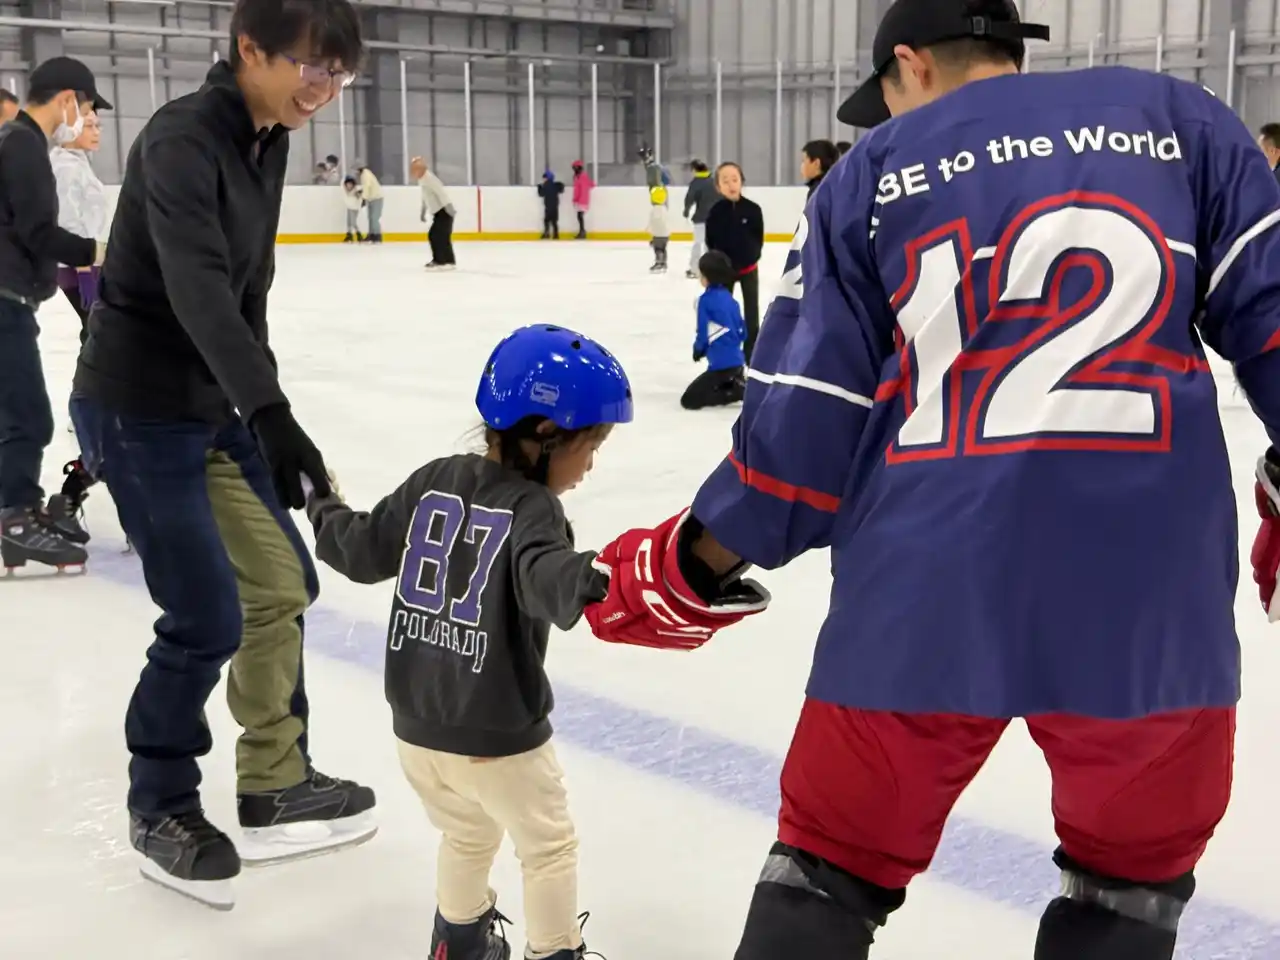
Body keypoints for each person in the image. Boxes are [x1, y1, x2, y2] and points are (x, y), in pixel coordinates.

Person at [582, 0, 1280, 956]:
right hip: (1152, 611)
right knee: (1130, 888)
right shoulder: (1184, 123)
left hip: (921, 599)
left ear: (910, 64)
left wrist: (689, 564)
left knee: (826, 869)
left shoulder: (870, 174)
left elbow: (804, 429)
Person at [70, 0, 372, 909]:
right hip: (137, 410)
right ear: (249, 49)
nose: (322, 88)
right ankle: (160, 802)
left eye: (338, 74)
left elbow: (249, 291)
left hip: (213, 411)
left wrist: (262, 416)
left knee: (283, 586)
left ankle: (274, 778)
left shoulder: (265, 136)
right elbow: (197, 287)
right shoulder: (180, 143)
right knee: (206, 616)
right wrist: (268, 409)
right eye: (309, 67)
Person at [306, 324, 630, 960]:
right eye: (588, 447)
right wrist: (595, 579)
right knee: (548, 846)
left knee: (465, 836)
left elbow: (363, 549)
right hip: (497, 735)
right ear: (543, 435)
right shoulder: (534, 510)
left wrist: (321, 503)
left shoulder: (434, 479)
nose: (590, 466)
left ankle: (458, 945)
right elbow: (542, 574)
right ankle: (554, 952)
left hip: (417, 730)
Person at [0, 56, 108, 574]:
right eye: (85, 107)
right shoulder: (23, 145)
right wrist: (100, 251)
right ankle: (15, 521)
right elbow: (39, 231)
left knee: (17, 414)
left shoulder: (16, 142)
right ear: (68, 99)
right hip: (3, 300)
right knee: (28, 416)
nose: (84, 118)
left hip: (10, 297)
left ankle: (15, 512)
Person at [52, 102, 108, 344]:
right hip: (78, 268)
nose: (97, 131)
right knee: (98, 336)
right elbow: (67, 221)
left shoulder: (78, 162)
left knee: (96, 335)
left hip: (90, 262)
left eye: (98, 125)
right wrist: (84, 270)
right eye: (89, 126)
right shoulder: (65, 167)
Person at [704, 162, 764, 362]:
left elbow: (758, 239)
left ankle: (752, 355)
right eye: (725, 181)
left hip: (748, 270)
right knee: (723, 313)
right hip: (723, 273)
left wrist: (751, 258)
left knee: (751, 314)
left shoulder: (753, 210)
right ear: (718, 187)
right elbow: (710, 242)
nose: (731, 184)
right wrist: (717, 268)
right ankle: (725, 351)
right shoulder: (715, 213)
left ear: (742, 182)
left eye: (735, 180)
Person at [682, 250, 745, 410]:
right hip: (738, 362)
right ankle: (734, 382)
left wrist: (698, 350)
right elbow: (743, 331)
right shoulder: (731, 300)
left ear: (707, 278)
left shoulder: (705, 301)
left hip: (720, 367)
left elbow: (703, 333)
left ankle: (735, 392)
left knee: (689, 400)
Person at [412, 155, 457, 270]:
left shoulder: (429, 178)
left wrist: (449, 208)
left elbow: (441, 192)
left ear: (422, 168)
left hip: (444, 211)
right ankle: (447, 261)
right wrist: (423, 211)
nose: (413, 171)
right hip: (438, 212)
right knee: (440, 236)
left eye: (416, 168)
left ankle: (441, 261)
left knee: (436, 235)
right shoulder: (422, 180)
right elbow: (425, 196)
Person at [683, 158, 719, 279]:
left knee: (698, 244)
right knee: (711, 246)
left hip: (701, 219)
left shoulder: (696, 182)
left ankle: (695, 269)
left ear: (694, 170)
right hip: (715, 219)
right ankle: (713, 270)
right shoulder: (714, 181)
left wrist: (686, 210)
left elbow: (689, 198)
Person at [357, 163, 384, 243]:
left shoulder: (365, 174)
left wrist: (363, 198)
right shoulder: (365, 174)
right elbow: (367, 187)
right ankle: (372, 235)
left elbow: (367, 186)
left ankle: (377, 235)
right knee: (371, 218)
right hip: (371, 198)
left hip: (376, 198)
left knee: (374, 218)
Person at [648, 184, 671, 273]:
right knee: (663, 248)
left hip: (658, 234)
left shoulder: (654, 210)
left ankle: (659, 262)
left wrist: (651, 233)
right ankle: (664, 263)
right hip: (665, 234)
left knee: (658, 249)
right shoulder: (664, 209)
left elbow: (654, 223)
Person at [571, 160, 594, 239]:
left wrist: (577, 199)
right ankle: (582, 231)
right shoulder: (578, 177)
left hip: (582, 199)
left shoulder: (582, 177)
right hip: (580, 199)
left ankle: (582, 231)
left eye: (575, 167)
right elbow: (591, 184)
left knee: (580, 216)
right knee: (579, 216)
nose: (574, 169)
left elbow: (582, 189)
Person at [538, 170, 565, 239]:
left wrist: (539, 187)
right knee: (554, 221)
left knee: (546, 220)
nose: (543, 179)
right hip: (555, 206)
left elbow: (541, 194)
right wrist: (561, 185)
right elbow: (561, 190)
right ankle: (556, 235)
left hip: (548, 206)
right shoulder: (555, 185)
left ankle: (547, 233)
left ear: (547, 178)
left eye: (544, 178)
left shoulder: (545, 185)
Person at [341, 173, 365, 243]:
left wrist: (359, 194)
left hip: (354, 208)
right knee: (349, 222)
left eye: (351, 184)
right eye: (348, 184)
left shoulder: (356, 190)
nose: (349, 185)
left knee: (353, 223)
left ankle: (359, 235)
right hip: (349, 207)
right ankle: (349, 235)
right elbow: (342, 184)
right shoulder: (345, 190)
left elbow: (360, 194)